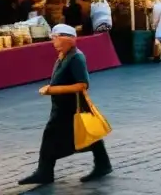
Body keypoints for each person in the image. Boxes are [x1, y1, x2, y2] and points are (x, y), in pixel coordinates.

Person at [18, 24, 112, 185]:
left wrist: (52, 90)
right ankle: (103, 164)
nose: (53, 42)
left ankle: (44, 172)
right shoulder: (64, 55)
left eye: (55, 38)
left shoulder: (76, 57)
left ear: (66, 38)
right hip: (61, 106)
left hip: (70, 107)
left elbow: (83, 85)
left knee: (53, 135)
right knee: (85, 134)